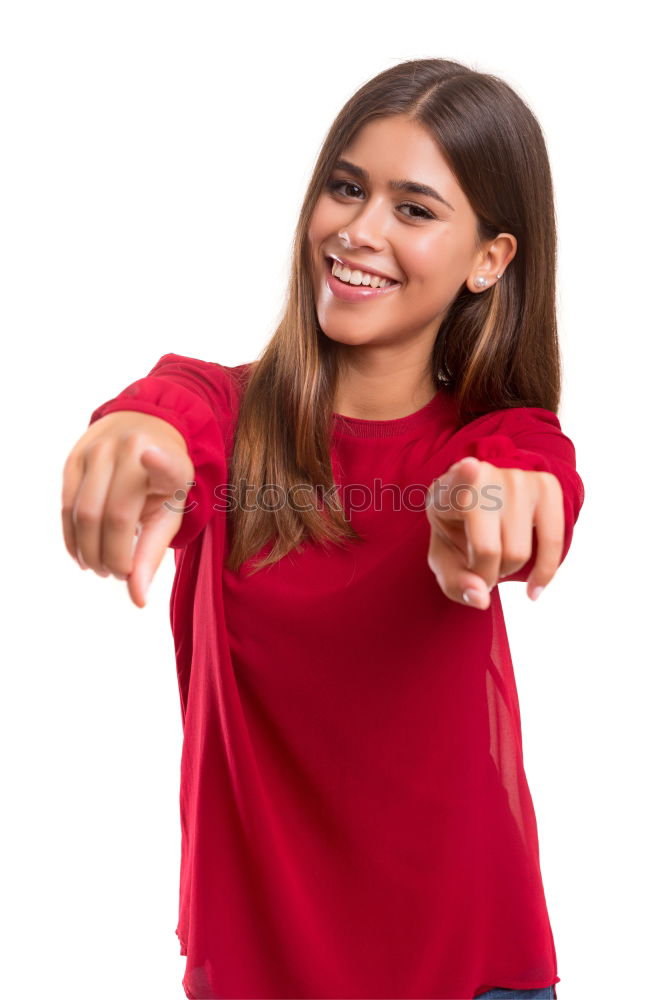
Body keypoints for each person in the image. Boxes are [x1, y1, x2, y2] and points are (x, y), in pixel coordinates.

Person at [61, 57, 584, 1000]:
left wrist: (491, 503)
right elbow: (172, 414)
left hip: (474, 972)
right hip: (261, 973)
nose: (358, 229)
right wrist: (136, 433)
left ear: (489, 260)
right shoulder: (222, 412)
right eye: (347, 187)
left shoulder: (496, 441)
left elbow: (525, 476)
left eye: (414, 209)